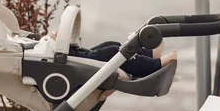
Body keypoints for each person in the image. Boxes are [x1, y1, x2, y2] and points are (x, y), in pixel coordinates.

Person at [38, 32, 177, 78]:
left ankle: (149, 55)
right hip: (64, 63)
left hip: (67, 55)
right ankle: (152, 65)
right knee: (113, 52)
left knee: (111, 44)